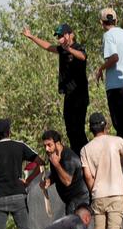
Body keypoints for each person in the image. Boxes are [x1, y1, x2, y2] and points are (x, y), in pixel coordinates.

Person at [22, 25, 89, 154]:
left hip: (79, 94)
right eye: (58, 37)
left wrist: (69, 49)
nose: (60, 39)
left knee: (78, 129)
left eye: (62, 36)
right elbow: (47, 46)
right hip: (68, 95)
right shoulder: (61, 49)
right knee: (70, 130)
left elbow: (83, 57)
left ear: (70, 35)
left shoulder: (77, 47)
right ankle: (77, 157)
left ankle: (86, 156)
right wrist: (31, 37)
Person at [40, 129, 92, 229]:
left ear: (57, 143)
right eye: (45, 146)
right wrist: (48, 181)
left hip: (79, 199)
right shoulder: (54, 157)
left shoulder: (68, 157)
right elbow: (58, 176)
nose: (47, 149)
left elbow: (68, 180)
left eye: (49, 145)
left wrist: (56, 165)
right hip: (71, 201)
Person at [95, 8, 123, 146]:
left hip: (115, 85)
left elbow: (114, 57)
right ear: (116, 20)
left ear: (101, 23)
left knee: (119, 123)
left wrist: (101, 68)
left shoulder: (108, 35)